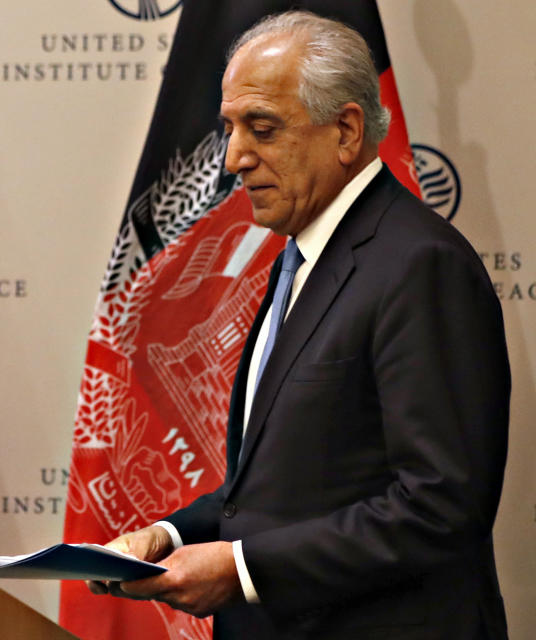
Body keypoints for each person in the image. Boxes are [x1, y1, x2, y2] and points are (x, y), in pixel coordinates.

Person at [88, 10, 511, 640]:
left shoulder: (420, 265)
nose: (233, 159)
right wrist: (171, 534)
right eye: (229, 128)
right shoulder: (302, 257)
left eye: (261, 129)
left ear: (345, 131)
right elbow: (278, 491)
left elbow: (440, 507)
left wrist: (241, 567)